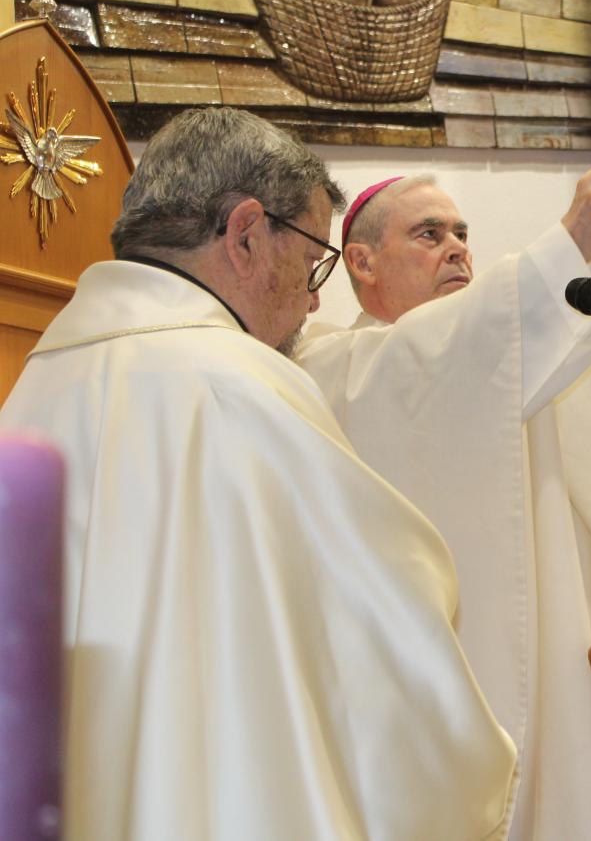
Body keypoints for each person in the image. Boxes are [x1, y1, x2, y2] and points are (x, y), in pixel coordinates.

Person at [0, 107, 517, 840]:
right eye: (312, 261)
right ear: (246, 234)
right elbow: (395, 624)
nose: (313, 300)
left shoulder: (33, 387)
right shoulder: (244, 389)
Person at [295, 162, 591, 840]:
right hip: (438, 708)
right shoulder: (337, 370)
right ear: (360, 261)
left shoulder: (526, 356)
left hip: (564, 687)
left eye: (462, 233)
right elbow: (445, 359)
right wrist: (572, 237)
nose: (456, 247)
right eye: (427, 233)